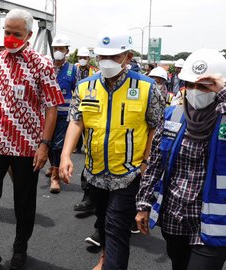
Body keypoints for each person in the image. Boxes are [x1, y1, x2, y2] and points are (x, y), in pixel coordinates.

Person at [0, 9, 64, 270]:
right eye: (7, 32)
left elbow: (52, 106)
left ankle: (20, 249)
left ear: (29, 35)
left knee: (24, 200)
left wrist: (44, 144)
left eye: (16, 34)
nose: (9, 38)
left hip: (28, 144)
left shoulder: (42, 64)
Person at [58, 25, 165, 270]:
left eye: (114, 57)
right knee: (104, 220)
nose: (107, 62)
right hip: (94, 172)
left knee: (117, 227)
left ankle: (111, 263)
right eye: (102, 56)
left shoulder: (148, 88)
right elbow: (76, 120)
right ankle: (105, 257)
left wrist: (147, 162)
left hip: (128, 175)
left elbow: (155, 128)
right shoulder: (85, 86)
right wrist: (65, 155)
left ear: (128, 57)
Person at [136, 49, 226, 270]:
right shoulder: (172, 115)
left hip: (212, 224)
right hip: (175, 218)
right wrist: (143, 204)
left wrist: (224, 90)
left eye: (204, 86)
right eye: (191, 84)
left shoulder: (223, 120)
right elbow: (155, 163)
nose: (196, 91)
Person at [46, 33, 78, 194]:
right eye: (55, 48)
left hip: (64, 115)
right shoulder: (45, 67)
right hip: (46, 114)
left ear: (66, 50)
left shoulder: (73, 69)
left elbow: (78, 92)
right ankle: (53, 166)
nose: (58, 51)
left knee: (58, 145)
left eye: (61, 48)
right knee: (47, 143)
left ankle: (55, 177)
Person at [73, 46, 99, 213]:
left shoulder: (96, 72)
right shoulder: (72, 70)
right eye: (80, 56)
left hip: (97, 118)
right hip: (81, 110)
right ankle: (88, 198)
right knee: (89, 159)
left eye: (85, 57)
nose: (82, 59)